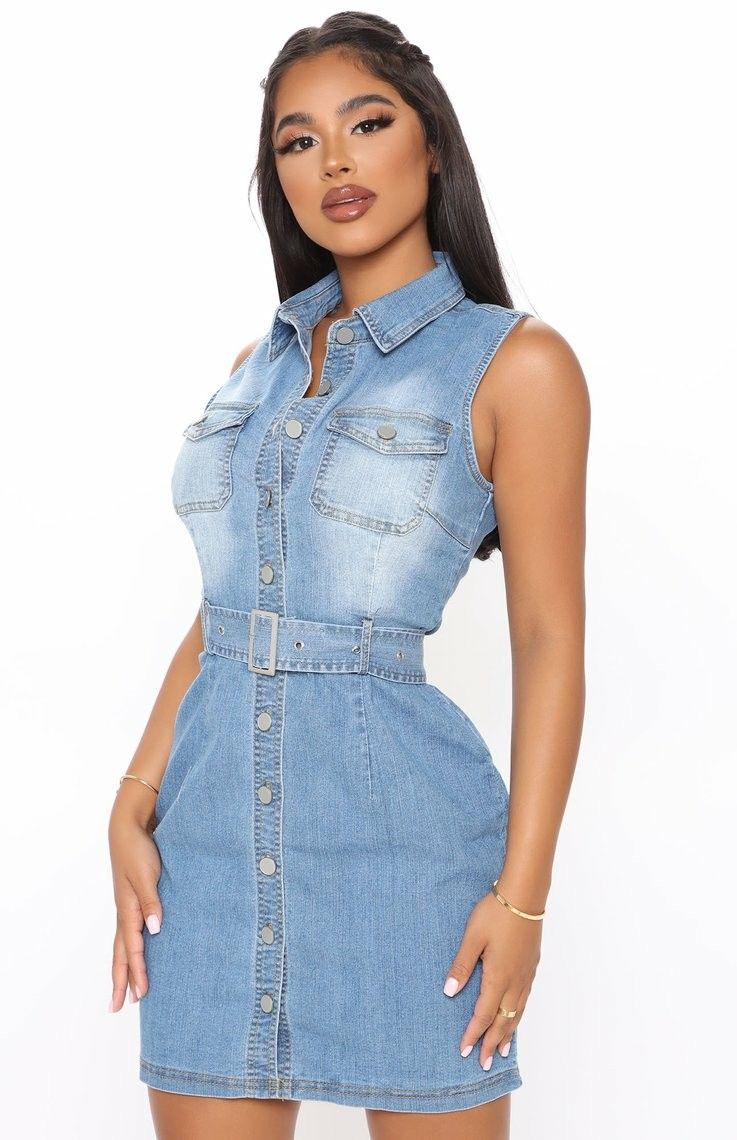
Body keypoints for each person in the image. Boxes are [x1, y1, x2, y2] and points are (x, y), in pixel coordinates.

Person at [107, 12, 589, 1139]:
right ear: (276, 179)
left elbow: (548, 640)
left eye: (366, 123)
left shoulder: (516, 364)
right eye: (297, 140)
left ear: (432, 144)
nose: (333, 160)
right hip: (207, 862)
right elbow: (231, 612)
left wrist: (523, 900)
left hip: (409, 867)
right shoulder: (257, 367)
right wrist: (133, 795)